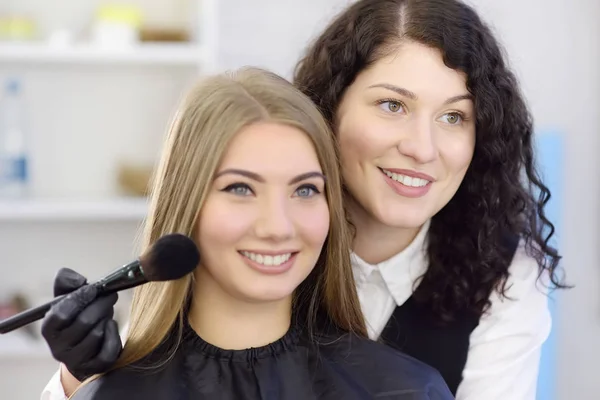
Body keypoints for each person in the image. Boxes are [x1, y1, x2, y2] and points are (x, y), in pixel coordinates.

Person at [41, 0, 566, 398]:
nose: (421, 148)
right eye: (391, 105)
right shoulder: (245, 251)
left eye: (454, 116)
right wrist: (75, 375)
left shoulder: (505, 279)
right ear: (328, 110)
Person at [43, 67, 453, 400]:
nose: (277, 227)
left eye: (305, 189)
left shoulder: (407, 392)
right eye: (240, 188)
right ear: (186, 205)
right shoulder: (105, 395)